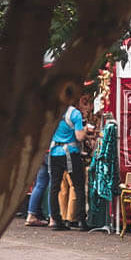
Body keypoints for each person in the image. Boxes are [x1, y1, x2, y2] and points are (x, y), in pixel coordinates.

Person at [46, 90, 92, 231]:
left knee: (54, 187)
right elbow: (79, 136)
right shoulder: (74, 113)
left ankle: (56, 219)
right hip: (70, 153)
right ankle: (81, 220)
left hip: (54, 151)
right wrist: (85, 130)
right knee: (78, 185)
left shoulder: (52, 112)